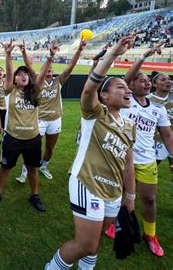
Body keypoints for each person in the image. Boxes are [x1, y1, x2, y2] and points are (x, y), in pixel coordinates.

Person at [45, 35, 136, 270]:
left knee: (94, 243)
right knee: (86, 244)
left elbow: (128, 164)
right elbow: (89, 88)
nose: (127, 90)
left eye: (128, 88)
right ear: (104, 96)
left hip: (113, 193)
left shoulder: (128, 126)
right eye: (120, 87)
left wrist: (129, 197)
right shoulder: (95, 114)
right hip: (88, 184)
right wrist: (113, 54)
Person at [118, 46, 173, 257]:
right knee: (122, 194)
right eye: (141, 80)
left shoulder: (157, 108)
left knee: (149, 199)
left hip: (147, 159)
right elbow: (127, 75)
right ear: (130, 85)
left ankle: (150, 235)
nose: (146, 83)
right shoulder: (126, 101)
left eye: (147, 81)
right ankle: (118, 224)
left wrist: (172, 156)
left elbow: (167, 134)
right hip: (123, 158)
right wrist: (142, 57)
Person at [0, 40, 56, 212]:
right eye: (20, 74)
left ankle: (34, 195)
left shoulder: (35, 91)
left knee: (32, 169)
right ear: (14, 78)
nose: (23, 76)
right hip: (12, 138)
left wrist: (50, 57)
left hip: (32, 139)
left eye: (26, 74)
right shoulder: (9, 90)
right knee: (5, 168)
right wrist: (8, 54)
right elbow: (8, 71)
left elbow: (41, 75)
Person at [17, 40, 87, 182]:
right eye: (47, 68)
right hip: (39, 120)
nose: (49, 70)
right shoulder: (37, 80)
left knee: (49, 149)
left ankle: (44, 166)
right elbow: (30, 67)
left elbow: (70, 67)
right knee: (32, 149)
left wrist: (79, 50)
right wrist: (24, 52)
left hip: (55, 120)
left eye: (51, 69)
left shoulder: (58, 82)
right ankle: (25, 172)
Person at [147, 71, 172, 167]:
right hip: (155, 141)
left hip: (170, 138)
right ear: (154, 84)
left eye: (169, 79)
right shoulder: (147, 100)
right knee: (151, 167)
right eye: (163, 80)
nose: (168, 81)